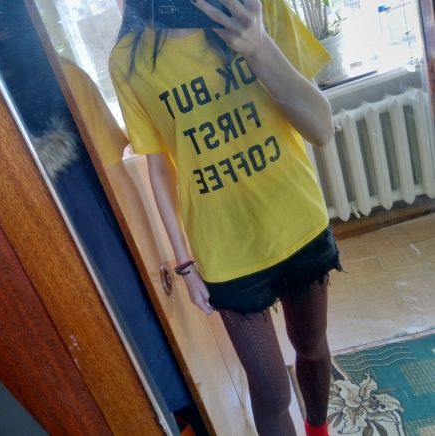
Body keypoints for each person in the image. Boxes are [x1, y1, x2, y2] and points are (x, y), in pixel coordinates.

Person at [109, 0, 342, 435]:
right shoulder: (129, 60)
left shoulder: (259, 7)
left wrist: (258, 46)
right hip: (224, 249)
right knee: (270, 391)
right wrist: (184, 264)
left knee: (312, 346)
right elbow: (159, 167)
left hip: (297, 221)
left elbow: (321, 129)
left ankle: (318, 428)